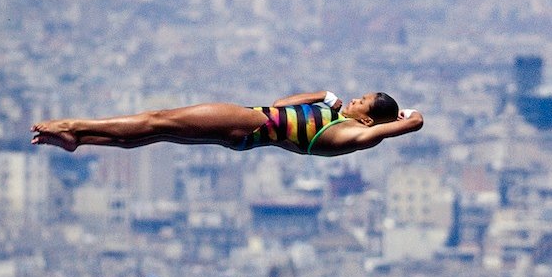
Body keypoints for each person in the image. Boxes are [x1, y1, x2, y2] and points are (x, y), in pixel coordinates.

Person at [31, 89, 423, 156]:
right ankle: (79, 138)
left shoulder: (356, 134)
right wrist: (321, 95)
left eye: (361, 101)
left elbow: (414, 123)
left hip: (250, 122)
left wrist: (406, 115)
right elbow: (282, 104)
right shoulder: (336, 118)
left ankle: (72, 124)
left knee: (158, 118)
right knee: (159, 133)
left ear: (368, 117)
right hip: (255, 124)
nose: (353, 99)